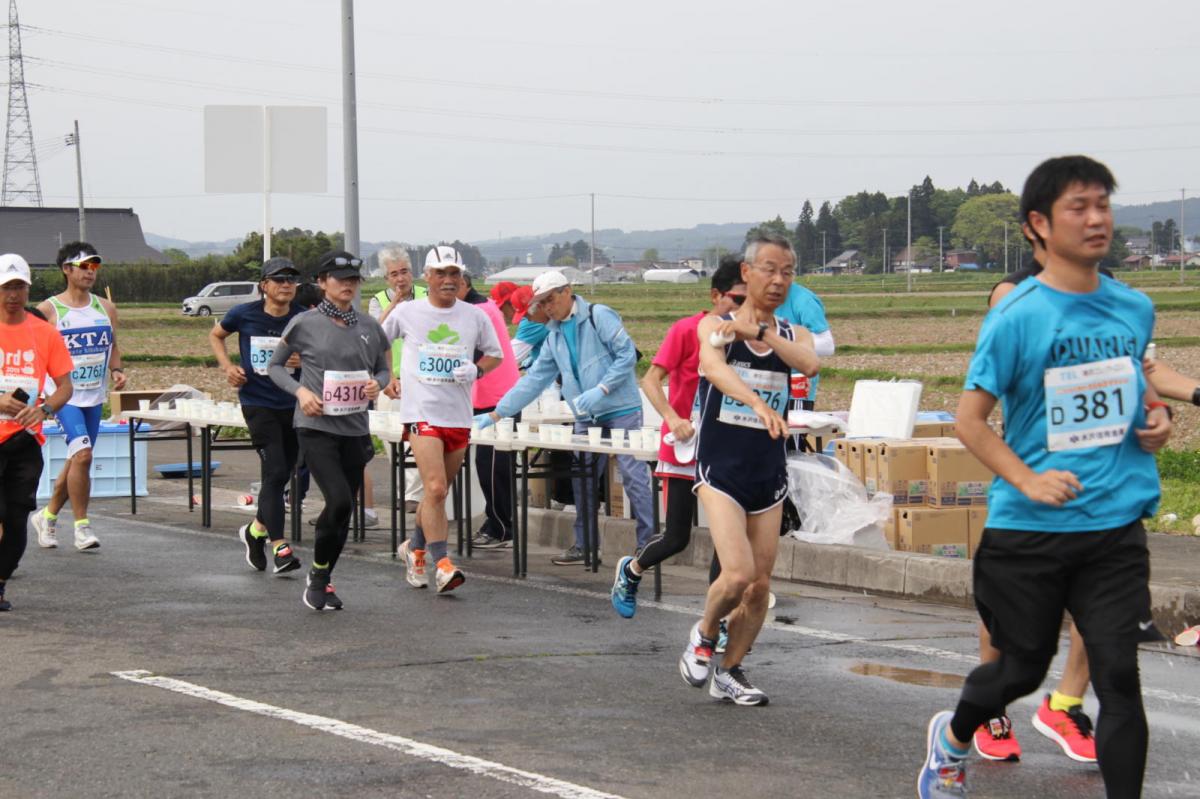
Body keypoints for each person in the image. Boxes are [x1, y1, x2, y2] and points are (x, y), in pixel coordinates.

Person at [918, 156, 1170, 799]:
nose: (1096, 219)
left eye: (1103, 205)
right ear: (1038, 224)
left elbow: (1133, 387)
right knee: (1020, 670)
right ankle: (953, 739)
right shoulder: (1018, 315)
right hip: (1029, 528)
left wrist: (1156, 419)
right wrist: (1027, 480)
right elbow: (971, 422)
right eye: (1077, 207)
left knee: (1119, 676)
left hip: (1114, 523)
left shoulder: (1132, 307)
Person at [970, 224, 1097, 763]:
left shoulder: (1108, 291)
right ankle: (991, 708)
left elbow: (1134, 370)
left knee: (1099, 606)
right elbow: (983, 394)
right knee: (1004, 610)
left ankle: (1064, 704)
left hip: (1097, 475)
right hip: (1029, 471)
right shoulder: (1012, 292)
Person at [677, 233, 819, 706]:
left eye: (788, 272)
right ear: (746, 272)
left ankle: (730, 670)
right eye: (769, 270)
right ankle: (703, 634)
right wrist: (756, 401)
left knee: (759, 589)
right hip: (721, 468)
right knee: (736, 574)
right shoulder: (715, 327)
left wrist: (760, 332)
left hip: (768, 473)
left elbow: (810, 363)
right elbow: (714, 369)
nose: (778, 280)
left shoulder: (791, 334)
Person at [477, 270, 654, 566]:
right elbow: (533, 381)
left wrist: (603, 388)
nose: (547, 307)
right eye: (541, 303)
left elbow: (626, 354)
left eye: (549, 299)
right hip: (586, 413)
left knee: (633, 475)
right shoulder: (554, 335)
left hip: (621, 408)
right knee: (582, 478)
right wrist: (497, 414)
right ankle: (584, 544)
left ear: (567, 291)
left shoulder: (599, 316)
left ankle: (648, 546)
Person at [610, 257, 746, 617]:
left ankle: (717, 621)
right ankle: (632, 570)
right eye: (737, 300)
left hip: (727, 448)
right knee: (678, 537)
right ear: (717, 295)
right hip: (686, 445)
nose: (742, 309)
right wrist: (672, 417)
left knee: (726, 540)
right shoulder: (688, 330)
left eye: (750, 302)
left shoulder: (750, 337)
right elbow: (650, 380)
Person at [269, 251, 391, 611]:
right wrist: (301, 391)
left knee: (343, 511)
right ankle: (320, 576)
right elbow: (276, 368)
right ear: (322, 283)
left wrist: (376, 385)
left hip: (354, 428)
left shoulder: (369, 326)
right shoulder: (304, 324)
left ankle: (321, 575)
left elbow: (384, 371)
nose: (348, 286)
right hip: (315, 426)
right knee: (338, 499)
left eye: (353, 280)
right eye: (340, 280)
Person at [383, 246, 502, 594]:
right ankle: (443, 564)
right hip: (421, 411)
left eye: (454, 274)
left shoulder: (474, 315)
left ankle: (414, 549)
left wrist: (475, 370)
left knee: (438, 494)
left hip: (458, 414)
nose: (448, 280)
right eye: (441, 274)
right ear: (427, 277)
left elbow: (495, 354)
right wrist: (386, 374)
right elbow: (375, 338)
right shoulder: (408, 312)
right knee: (434, 487)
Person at [209, 256, 304, 576]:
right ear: (264, 286)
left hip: (292, 403)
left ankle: (255, 531)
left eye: (291, 279)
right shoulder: (243, 314)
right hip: (257, 403)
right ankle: (280, 547)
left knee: (279, 475)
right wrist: (228, 367)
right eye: (279, 279)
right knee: (276, 471)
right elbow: (215, 335)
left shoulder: (303, 318)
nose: (286, 285)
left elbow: (319, 353)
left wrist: (301, 359)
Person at [30, 242, 125, 551]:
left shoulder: (105, 307)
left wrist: (117, 371)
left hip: (93, 395)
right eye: (83, 266)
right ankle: (82, 527)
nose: (89, 272)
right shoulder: (49, 310)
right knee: (83, 455)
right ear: (66, 270)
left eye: (93, 267)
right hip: (63, 395)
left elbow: (113, 345)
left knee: (76, 460)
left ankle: (47, 516)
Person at [0, 254, 74, 611]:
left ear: (28, 288)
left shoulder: (43, 332)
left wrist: (43, 409)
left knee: (16, 517)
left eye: (19, 287)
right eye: (6, 287)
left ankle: (0, 582)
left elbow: (64, 387)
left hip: (25, 439)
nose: (13, 294)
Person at [461, 276, 520, 549]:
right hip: (485, 395)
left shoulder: (479, 310)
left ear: (462, 283)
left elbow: (467, 353)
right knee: (486, 464)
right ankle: (495, 522)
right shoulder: (477, 307)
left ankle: (502, 527)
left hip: (498, 396)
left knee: (494, 465)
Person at [370, 247, 428, 517]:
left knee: (416, 439)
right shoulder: (379, 300)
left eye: (404, 272)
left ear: (412, 272)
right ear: (386, 278)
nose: (400, 279)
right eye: (394, 274)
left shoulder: (427, 297)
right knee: (391, 439)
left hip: (421, 380)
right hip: (389, 380)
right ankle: (403, 492)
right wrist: (394, 305)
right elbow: (373, 335)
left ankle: (414, 496)